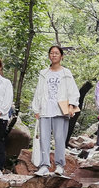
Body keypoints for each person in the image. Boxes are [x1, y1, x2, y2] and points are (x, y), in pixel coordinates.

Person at [31, 45, 80, 177]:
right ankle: (44, 166)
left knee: (59, 138)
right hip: (45, 109)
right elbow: (38, 91)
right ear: (49, 56)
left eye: (56, 53)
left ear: (61, 56)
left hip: (60, 111)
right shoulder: (44, 73)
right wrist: (36, 108)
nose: (54, 55)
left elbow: (73, 91)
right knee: (44, 139)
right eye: (51, 53)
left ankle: (59, 165)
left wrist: (71, 106)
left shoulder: (66, 73)